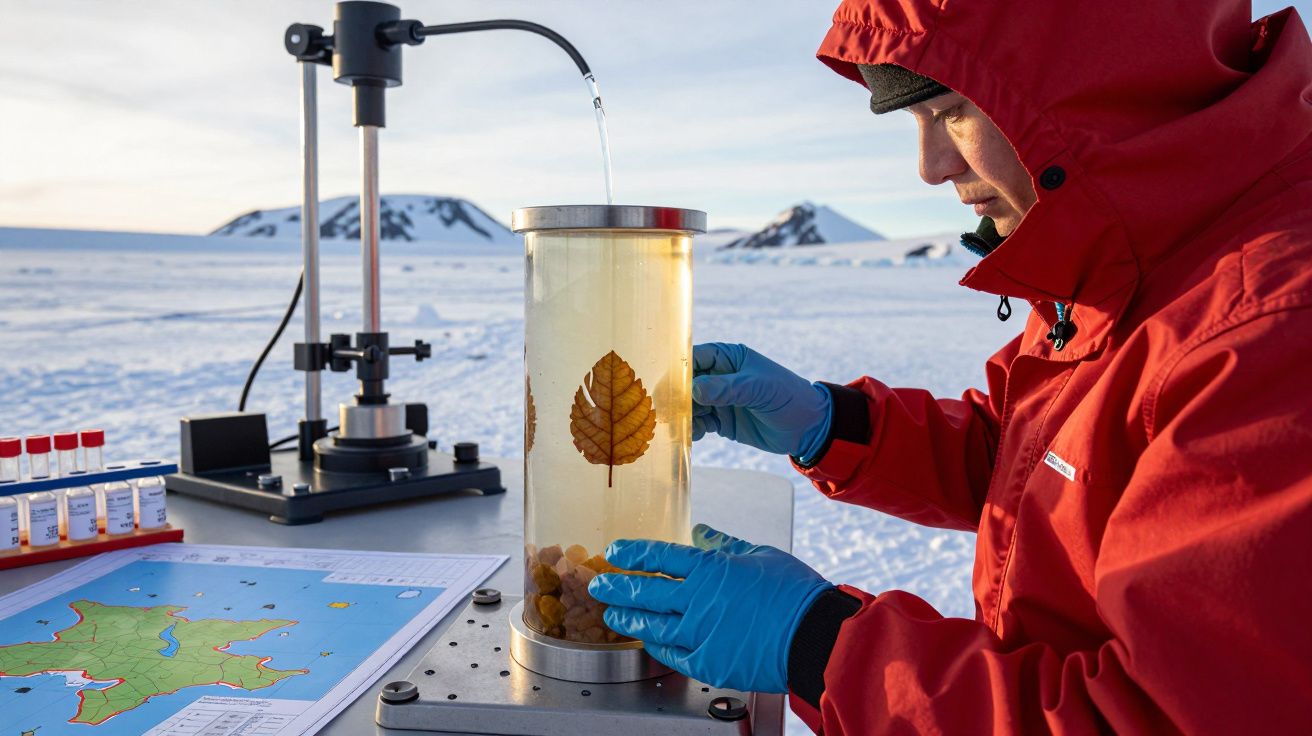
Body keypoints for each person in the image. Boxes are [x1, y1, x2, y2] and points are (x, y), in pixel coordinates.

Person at [586, 0, 1312, 732]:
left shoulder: (1269, 338)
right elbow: (1034, 462)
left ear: (1099, 89)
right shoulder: (1132, 261)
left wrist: (821, 647)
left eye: (953, 110)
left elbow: (1152, 719)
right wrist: (834, 424)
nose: (931, 168)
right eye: (915, 120)